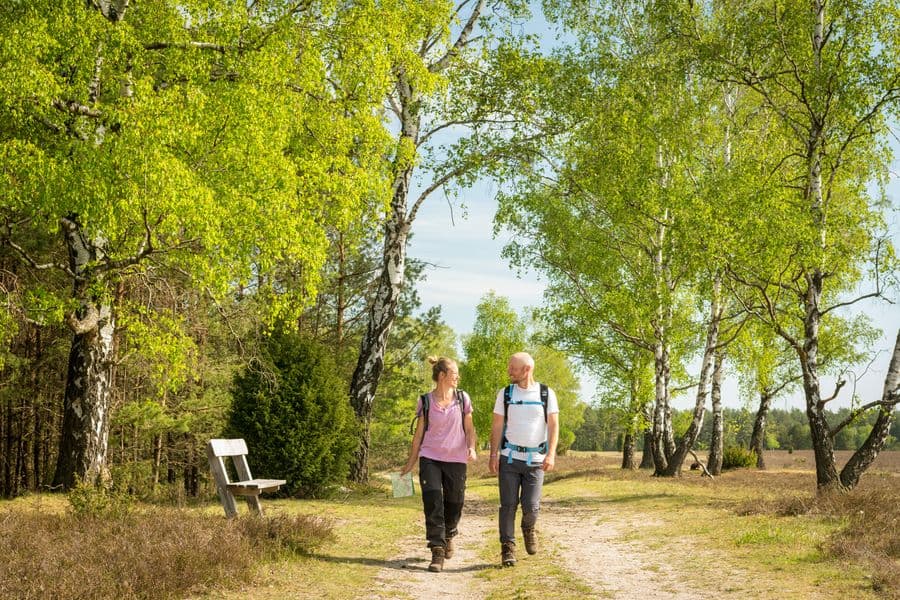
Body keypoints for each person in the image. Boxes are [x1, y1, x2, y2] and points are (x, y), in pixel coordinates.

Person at [400, 356, 477, 573]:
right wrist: (410, 463)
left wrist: (471, 447)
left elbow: (470, 429)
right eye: (454, 373)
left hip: (456, 459)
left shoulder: (462, 399)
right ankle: (437, 549)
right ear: (442, 376)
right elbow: (418, 436)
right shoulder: (425, 401)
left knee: (455, 502)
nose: (457, 377)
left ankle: (450, 532)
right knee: (433, 501)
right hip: (430, 457)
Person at [489, 351, 559, 567]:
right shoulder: (505, 393)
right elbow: (497, 425)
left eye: (513, 368)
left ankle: (528, 528)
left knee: (531, 506)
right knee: (508, 505)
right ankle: (507, 548)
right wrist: (493, 454)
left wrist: (551, 453)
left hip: (536, 461)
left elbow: (554, 425)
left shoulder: (546, 394)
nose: (509, 371)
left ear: (527, 369)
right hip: (509, 459)